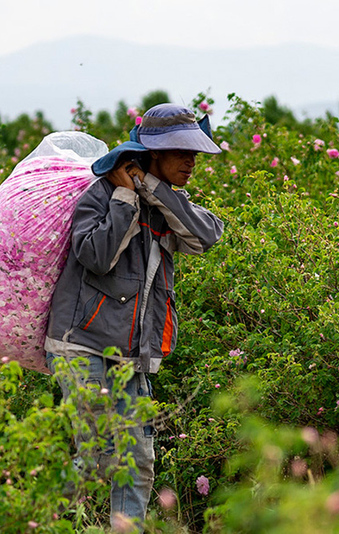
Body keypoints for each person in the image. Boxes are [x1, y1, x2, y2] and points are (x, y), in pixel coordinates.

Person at [44, 103, 224, 531]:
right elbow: (96, 257)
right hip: (80, 343)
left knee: (137, 460)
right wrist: (125, 195)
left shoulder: (168, 202)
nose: (191, 161)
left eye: (195, 152)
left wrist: (150, 189)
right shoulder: (100, 194)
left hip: (131, 353)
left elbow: (207, 235)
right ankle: (42, 522)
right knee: (93, 452)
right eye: (181, 151)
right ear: (153, 152)